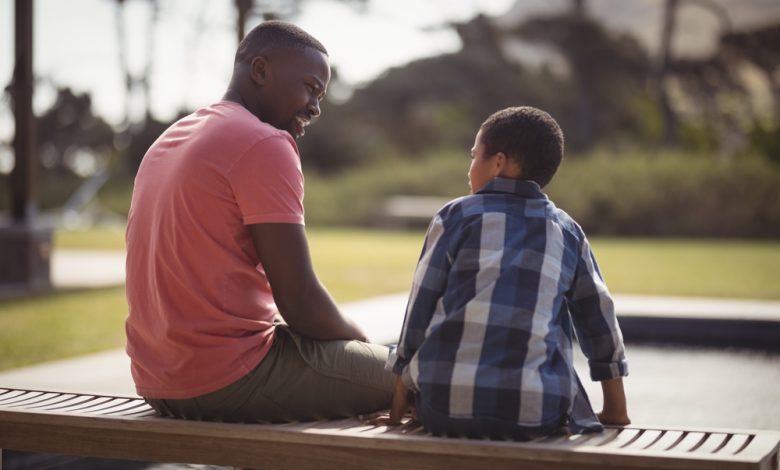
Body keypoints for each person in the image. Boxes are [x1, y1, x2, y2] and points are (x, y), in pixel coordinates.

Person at [125, 20, 394, 423]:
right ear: (261, 71)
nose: (316, 106)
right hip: (226, 378)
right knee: (422, 379)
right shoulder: (265, 142)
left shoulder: (173, 137)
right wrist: (365, 348)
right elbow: (301, 302)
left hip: (156, 378)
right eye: (310, 87)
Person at [367, 106, 630, 439]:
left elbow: (418, 314)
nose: (469, 168)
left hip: (442, 409)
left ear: (499, 162)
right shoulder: (566, 231)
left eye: (474, 156)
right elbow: (598, 321)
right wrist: (615, 410)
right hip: (536, 415)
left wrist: (398, 407)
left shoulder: (455, 217)